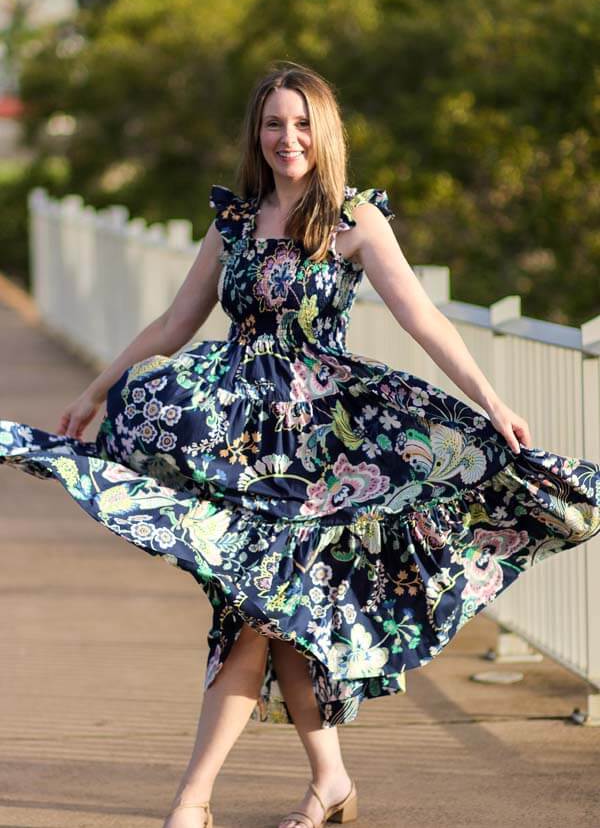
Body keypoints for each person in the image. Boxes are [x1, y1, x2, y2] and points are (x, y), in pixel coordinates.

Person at [1, 60, 599, 828]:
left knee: (261, 609)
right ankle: (329, 783)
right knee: (274, 612)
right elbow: (175, 325)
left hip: (318, 459)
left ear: (326, 133)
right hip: (240, 448)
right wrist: (95, 390)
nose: (288, 138)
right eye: (274, 123)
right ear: (257, 133)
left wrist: (491, 399)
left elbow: (423, 318)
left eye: (302, 123)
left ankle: (195, 801)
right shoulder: (234, 222)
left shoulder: (354, 219)